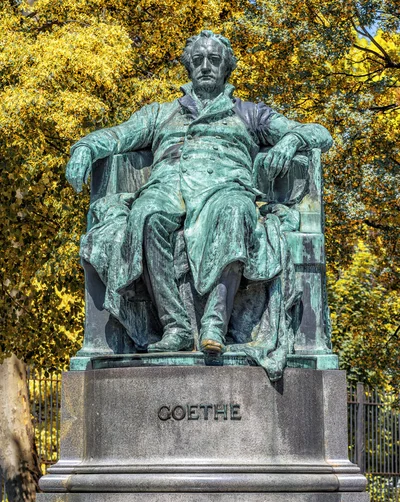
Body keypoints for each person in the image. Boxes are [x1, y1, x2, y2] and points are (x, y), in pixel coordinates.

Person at [66, 30, 332, 358]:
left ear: (226, 68)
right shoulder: (160, 113)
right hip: (167, 191)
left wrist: (291, 141)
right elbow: (118, 135)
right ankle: (175, 326)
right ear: (189, 66)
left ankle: (215, 325)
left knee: (235, 210)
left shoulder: (249, 114)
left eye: (214, 60)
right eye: (198, 60)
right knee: (146, 214)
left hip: (225, 190)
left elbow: (319, 133)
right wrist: (84, 148)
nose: (206, 66)